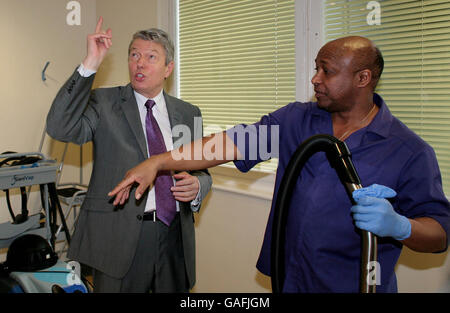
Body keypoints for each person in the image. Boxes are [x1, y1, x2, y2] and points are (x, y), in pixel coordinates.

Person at [108, 36, 449, 293]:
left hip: (354, 285)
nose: (315, 79)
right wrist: (158, 162)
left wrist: (401, 226)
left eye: (326, 71)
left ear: (363, 79)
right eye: (316, 67)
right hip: (291, 279)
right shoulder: (298, 120)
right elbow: (227, 144)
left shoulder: (409, 151)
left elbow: (439, 233)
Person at [46, 17, 212, 293]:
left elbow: (201, 170)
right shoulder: (105, 102)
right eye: (134, 54)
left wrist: (198, 186)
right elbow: (59, 126)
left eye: (150, 56)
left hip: (175, 240)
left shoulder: (188, 113)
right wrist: (91, 63)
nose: (140, 63)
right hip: (118, 241)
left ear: (168, 68)